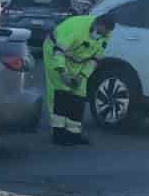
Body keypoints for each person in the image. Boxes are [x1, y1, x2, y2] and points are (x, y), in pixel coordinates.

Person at [43, 13, 116, 146]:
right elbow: (58, 51)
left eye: (105, 34)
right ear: (97, 24)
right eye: (101, 32)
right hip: (54, 52)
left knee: (79, 93)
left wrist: (83, 76)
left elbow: (96, 58)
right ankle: (58, 134)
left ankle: (73, 134)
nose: (102, 36)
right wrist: (63, 73)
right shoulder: (75, 29)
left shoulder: (106, 34)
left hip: (77, 59)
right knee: (62, 91)